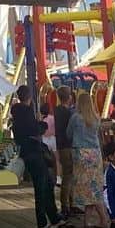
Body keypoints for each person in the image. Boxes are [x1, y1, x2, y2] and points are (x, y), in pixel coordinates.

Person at [10, 86, 63, 228]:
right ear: (29, 97)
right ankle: (44, 220)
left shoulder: (16, 113)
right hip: (33, 150)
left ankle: (52, 217)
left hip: (26, 152)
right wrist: (42, 124)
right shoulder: (27, 112)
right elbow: (34, 129)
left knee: (44, 184)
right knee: (43, 186)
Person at [67, 92, 107, 228]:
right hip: (95, 154)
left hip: (80, 153)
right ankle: (88, 220)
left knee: (88, 189)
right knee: (94, 186)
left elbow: (68, 134)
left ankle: (103, 219)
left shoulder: (75, 118)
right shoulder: (95, 117)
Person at [53, 87, 76, 218]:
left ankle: (70, 203)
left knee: (69, 175)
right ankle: (66, 205)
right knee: (68, 175)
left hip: (61, 145)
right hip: (68, 145)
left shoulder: (57, 110)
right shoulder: (68, 112)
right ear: (69, 97)